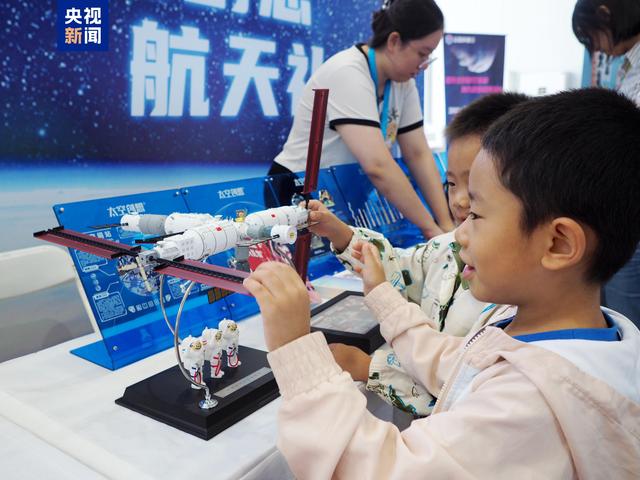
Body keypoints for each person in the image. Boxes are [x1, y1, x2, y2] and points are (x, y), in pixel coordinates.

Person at [244, 88, 640, 478]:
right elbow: (452, 361)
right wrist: (382, 296)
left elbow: (380, 471)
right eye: (453, 186)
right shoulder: (552, 336)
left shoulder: (527, 403)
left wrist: (296, 351)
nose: (460, 234)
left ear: (558, 244)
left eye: (478, 215)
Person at [324, 92, 529, 416]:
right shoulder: (447, 245)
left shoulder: (515, 298)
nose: (459, 201)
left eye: (474, 189)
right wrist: (342, 235)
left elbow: (457, 380)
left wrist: (369, 367)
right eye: (451, 184)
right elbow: (401, 267)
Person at [267, 0, 454, 239]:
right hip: (298, 190)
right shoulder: (348, 71)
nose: (424, 65)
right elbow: (377, 166)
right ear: (394, 41)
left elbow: (418, 154)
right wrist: (430, 229)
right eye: (422, 53)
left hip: (340, 196)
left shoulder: (403, 83)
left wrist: (446, 225)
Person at [573, 0, 640, 326]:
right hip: (625, 203)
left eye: (592, 37)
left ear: (605, 13)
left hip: (630, 205)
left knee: (627, 315)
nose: (597, 49)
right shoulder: (630, 60)